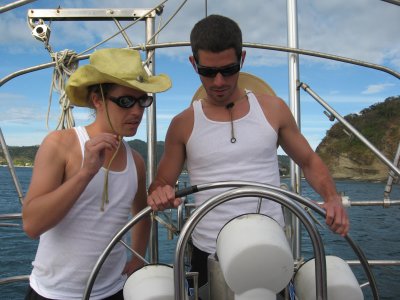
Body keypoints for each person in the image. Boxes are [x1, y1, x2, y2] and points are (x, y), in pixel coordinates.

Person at [147, 14, 350, 290]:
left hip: (270, 245)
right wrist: (160, 192)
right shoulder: (182, 124)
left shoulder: (273, 109)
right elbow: (162, 183)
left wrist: (331, 197)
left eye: (228, 70)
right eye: (208, 72)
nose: (218, 81)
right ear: (193, 64)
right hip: (208, 253)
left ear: (242, 59)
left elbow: (308, 160)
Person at [22, 48, 171, 300]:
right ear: (97, 99)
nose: (137, 111)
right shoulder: (60, 144)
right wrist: (85, 173)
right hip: (53, 293)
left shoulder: (136, 161)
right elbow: (32, 225)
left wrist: (136, 258)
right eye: (126, 101)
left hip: (112, 290)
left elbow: (141, 215)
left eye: (143, 100)